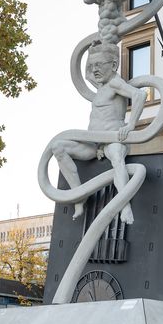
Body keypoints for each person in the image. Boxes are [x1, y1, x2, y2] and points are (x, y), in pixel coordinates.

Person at [50, 42, 144, 225]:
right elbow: (85, 74)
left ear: (114, 65)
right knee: (57, 147)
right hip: (93, 142)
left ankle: (125, 207)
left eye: (99, 65)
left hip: (112, 139)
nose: (94, 70)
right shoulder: (99, 83)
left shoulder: (116, 82)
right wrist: (91, 50)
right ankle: (79, 197)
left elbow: (139, 95)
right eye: (92, 66)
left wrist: (131, 125)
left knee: (117, 157)